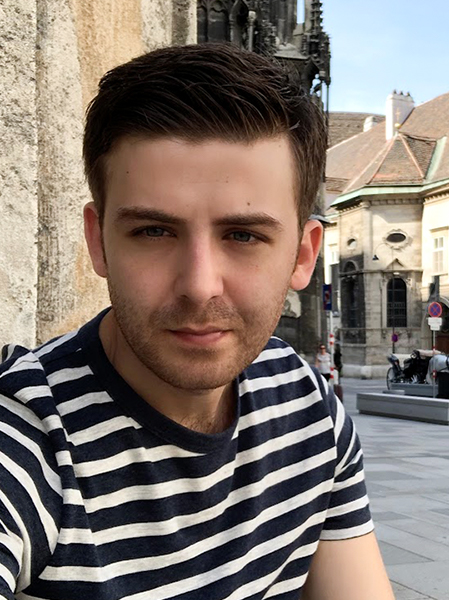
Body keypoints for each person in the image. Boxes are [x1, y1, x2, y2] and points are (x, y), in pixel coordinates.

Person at [0, 45, 394, 600]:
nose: (200, 284)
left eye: (243, 235)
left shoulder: (309, 408)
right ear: (98, 241)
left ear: (304, 255)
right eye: (154, 231)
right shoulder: (28, 437)